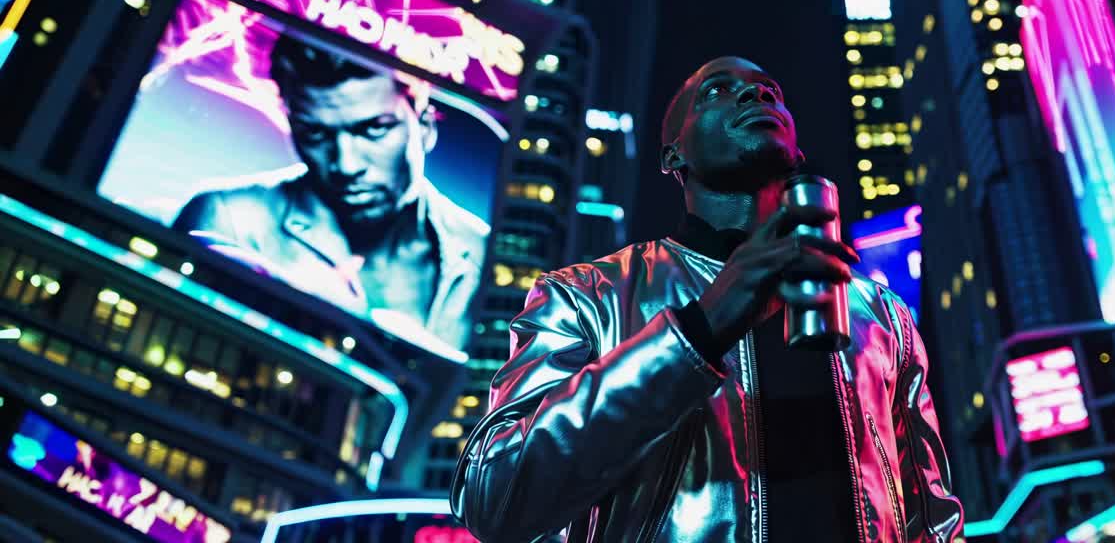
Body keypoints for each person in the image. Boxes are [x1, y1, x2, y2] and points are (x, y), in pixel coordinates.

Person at [452, 56, 963, 542]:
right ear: (674, 154)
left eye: (771, 93)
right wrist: (701, 329)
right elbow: (493, 498)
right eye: (717, 90)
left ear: (797, 151)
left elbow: (933, 517)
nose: (753, 93)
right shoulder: (585, 295)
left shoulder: (883, 316)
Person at [172, 33, 488, 351]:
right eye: (315, 133)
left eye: (374, 129)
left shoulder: (483, 257)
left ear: (425, 127)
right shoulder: (230, 221)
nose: (346, 165)